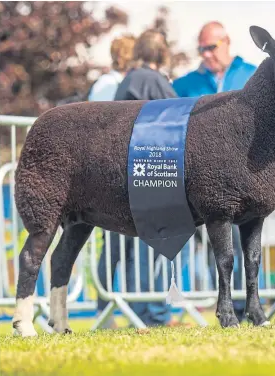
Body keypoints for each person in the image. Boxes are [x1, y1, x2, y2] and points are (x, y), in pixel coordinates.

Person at [173, 21, 263, 321]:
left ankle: (247, 305)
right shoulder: (184, 85)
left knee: (245, 244)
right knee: (211, 246)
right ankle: (215, 306)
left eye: (211, 47)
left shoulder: (252, 74)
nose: (206, 54)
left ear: (226, 42)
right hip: (199, 188)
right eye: (201, 49)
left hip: (250, 182)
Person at [114, 29, 189, 327]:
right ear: (163, 53)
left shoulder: (127, 80)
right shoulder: (154, 81)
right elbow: (183, 119)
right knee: (149, 249)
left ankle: (140, 313)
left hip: (124, 174)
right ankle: (155, 315)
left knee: (134, 252)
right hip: (148, 174)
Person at [88, 35, 135, 329]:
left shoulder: (107, 84)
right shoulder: (109, 85)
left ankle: (120, 306)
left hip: (119, 171)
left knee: (124, 247)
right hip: (111, 173)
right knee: (114, 248)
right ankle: (104, 308)